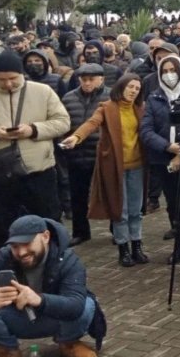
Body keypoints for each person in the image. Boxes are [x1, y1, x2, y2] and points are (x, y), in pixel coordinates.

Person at [0, 215, 104, 357]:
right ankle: (8, 354)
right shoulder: (1, 258)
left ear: (45, 237)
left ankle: (68, 342)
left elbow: (75, 306)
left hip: (53, 317)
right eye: (15, 246)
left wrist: (40, 300)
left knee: (86, 304)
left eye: (27, 243)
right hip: (16, 317)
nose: (21, 252)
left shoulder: (68, 259)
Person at [0, 51, 69, 249]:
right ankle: (7, 273)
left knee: (48, 224)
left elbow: (63, 122)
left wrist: (33, 129)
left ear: (21, 74)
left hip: (39, 172)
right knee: (1, 230)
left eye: (13, 79)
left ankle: (53, 270)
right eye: (1, 80)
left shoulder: (43, 92)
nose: (8, 84)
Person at [60, 74, 149, 267]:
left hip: (137, 166)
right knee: (120, 210)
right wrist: (76, 137)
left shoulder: (140, 108)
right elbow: (91, 124)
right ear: (121, 87)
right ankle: (123, 248)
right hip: (114, 167)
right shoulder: (107, 107)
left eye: (137, 88)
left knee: (136, 210)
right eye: (130, 87)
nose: (134, 91)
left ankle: (137, 246)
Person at [139, 54, 180, 264]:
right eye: (164, 71)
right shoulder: (154, 97)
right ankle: (179, 246)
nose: (169, 75)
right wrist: (168, 147)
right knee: (174, 204)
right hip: (163, 159)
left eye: (172, 70)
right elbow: (146, 131)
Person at [59, 63, 111, 246]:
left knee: (109, 194)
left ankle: (116, 228)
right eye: (84, 79)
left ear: (101, 79)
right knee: (78, 196)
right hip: (77, 154)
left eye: (92, 79)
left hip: (101, 153)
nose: (87, 83)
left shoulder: (111, 96)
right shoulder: (69, 97)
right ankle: (81, 231)